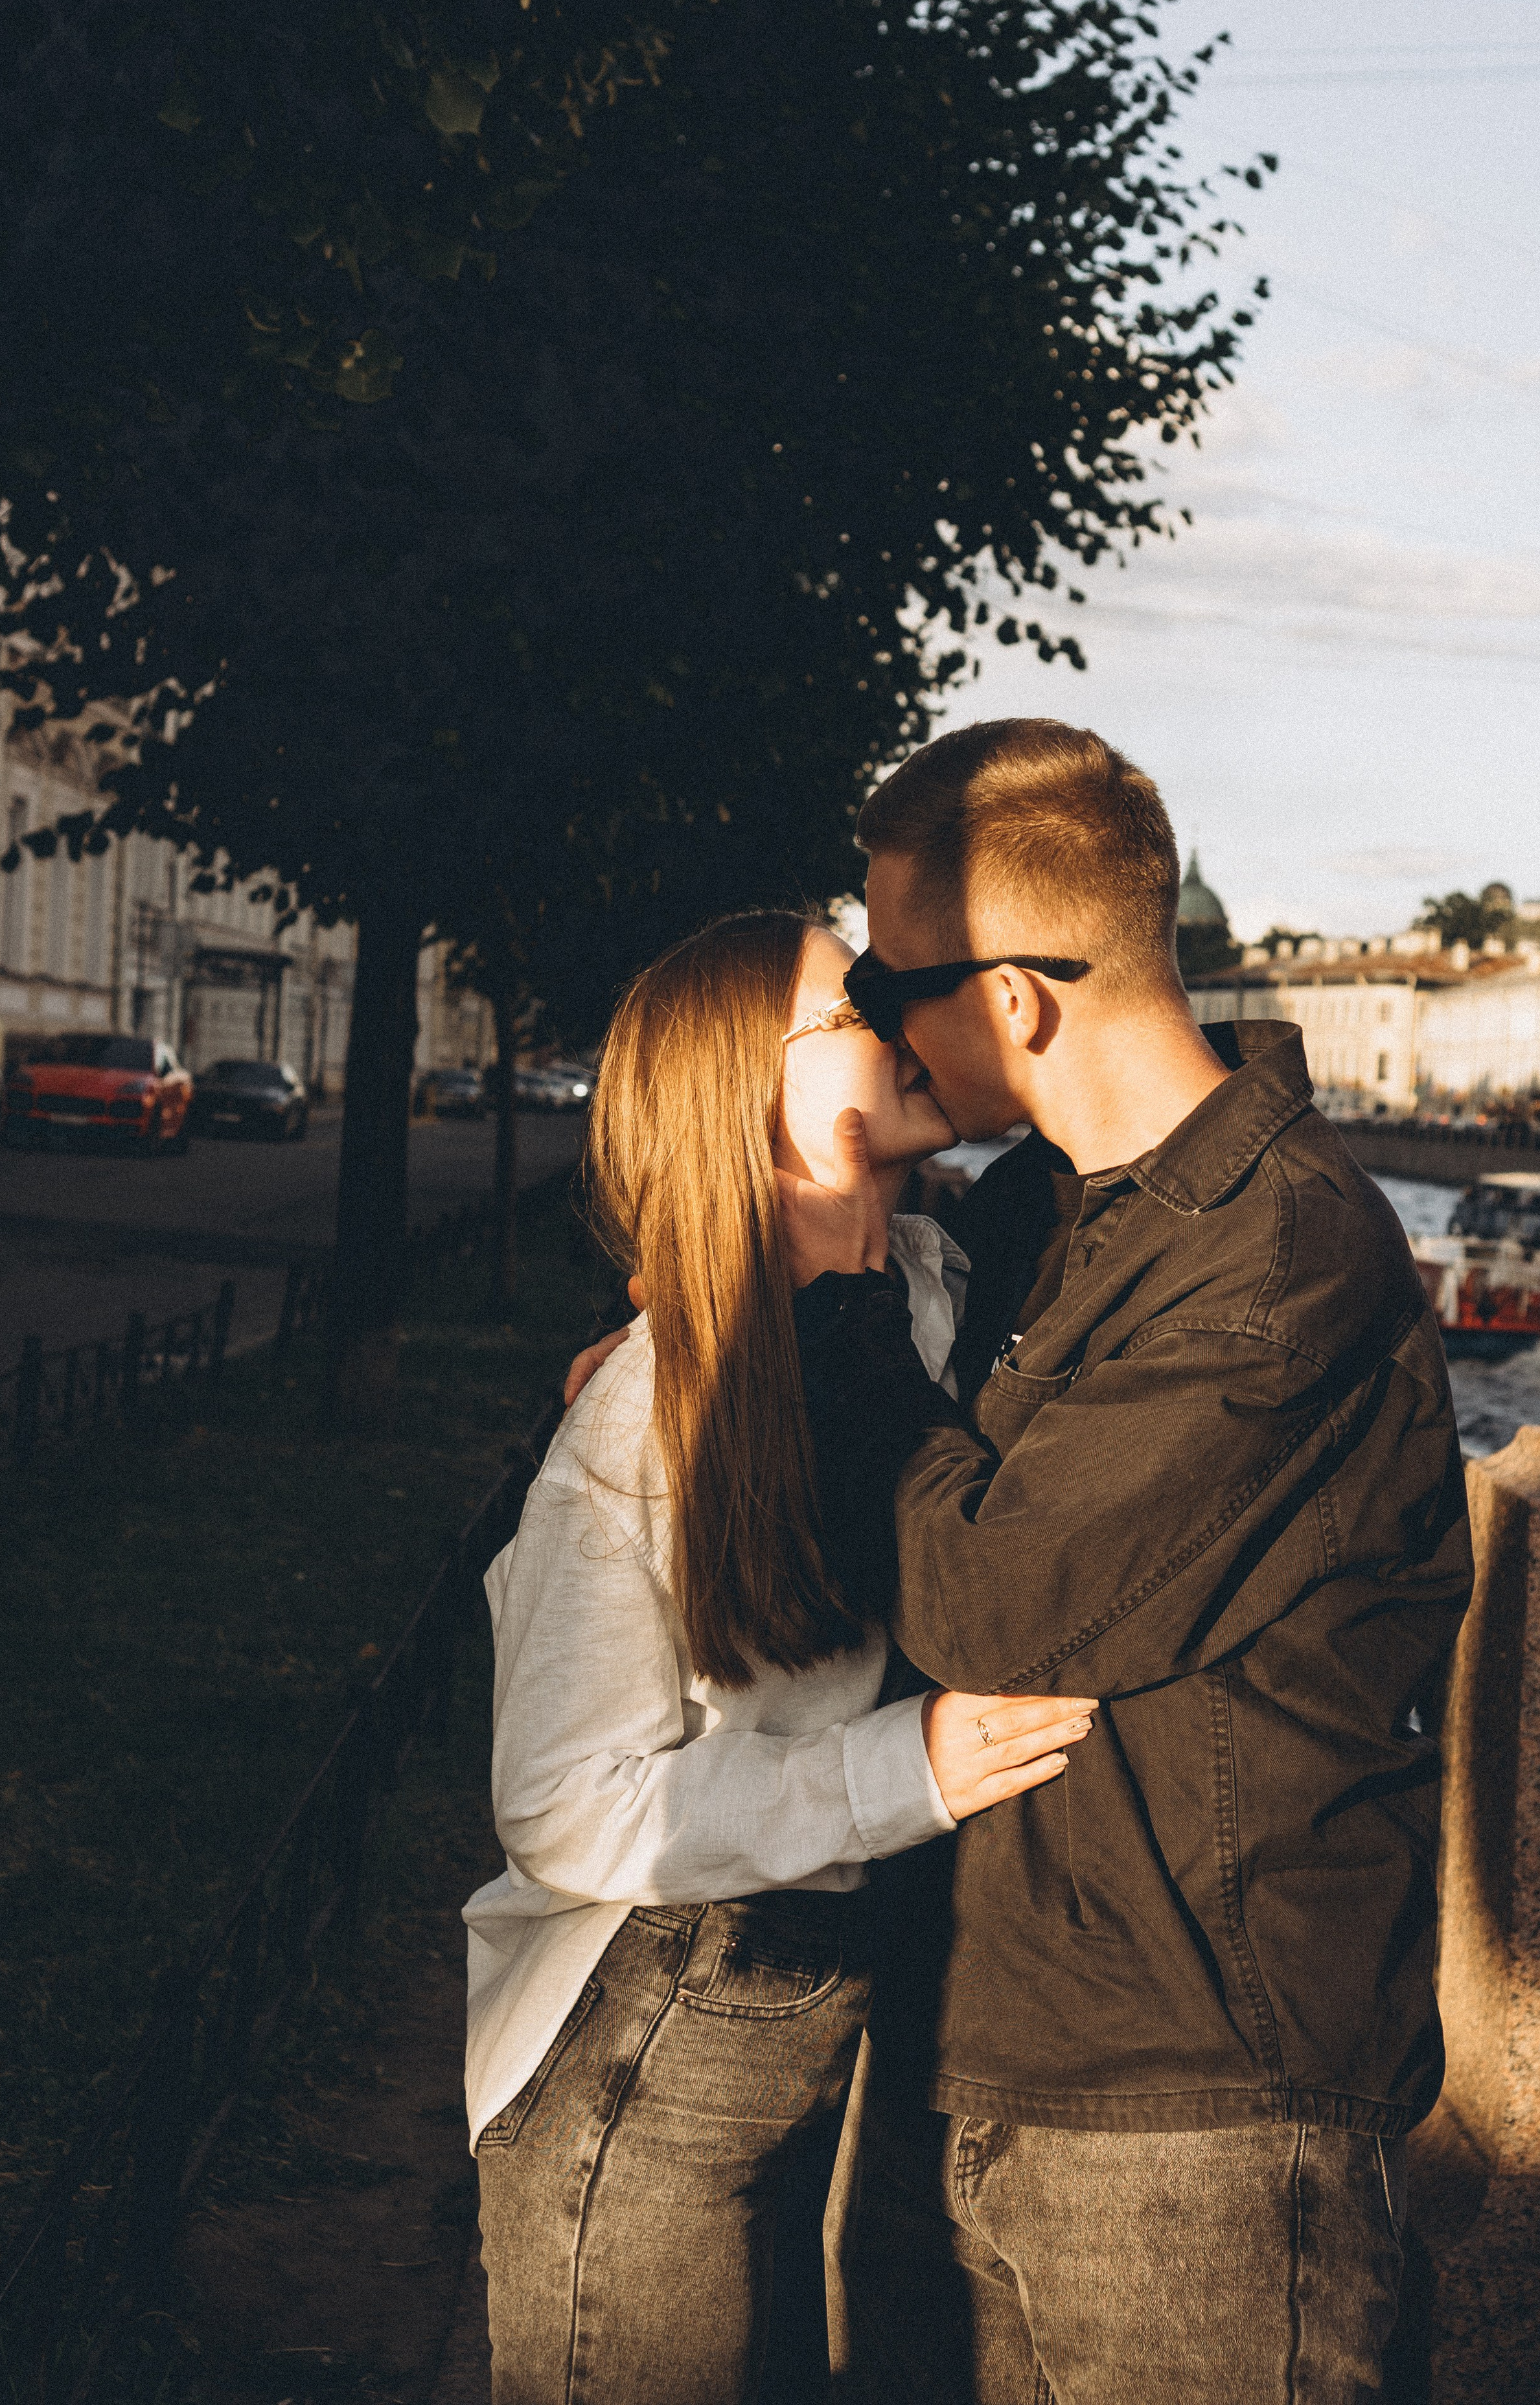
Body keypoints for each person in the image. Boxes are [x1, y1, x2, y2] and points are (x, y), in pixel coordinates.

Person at [763, 718, 1474, 2402]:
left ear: (1011, 1000)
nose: (875, 1020)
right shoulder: (1059, 1212)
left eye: (886, 988)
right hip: (1027, 2052)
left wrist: (837, 1305)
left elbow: (995, 1602)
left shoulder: (1276, 1253)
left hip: (1206, 2124)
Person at [461, 909, 1096, 2405]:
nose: (898, 1015)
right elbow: (558, 1805)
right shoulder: (650, 1402)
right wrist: (907, 1770)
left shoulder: (943, 1296)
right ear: (750, 1092)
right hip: (646, 2043)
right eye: (853, 1002)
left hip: (816, 2027)